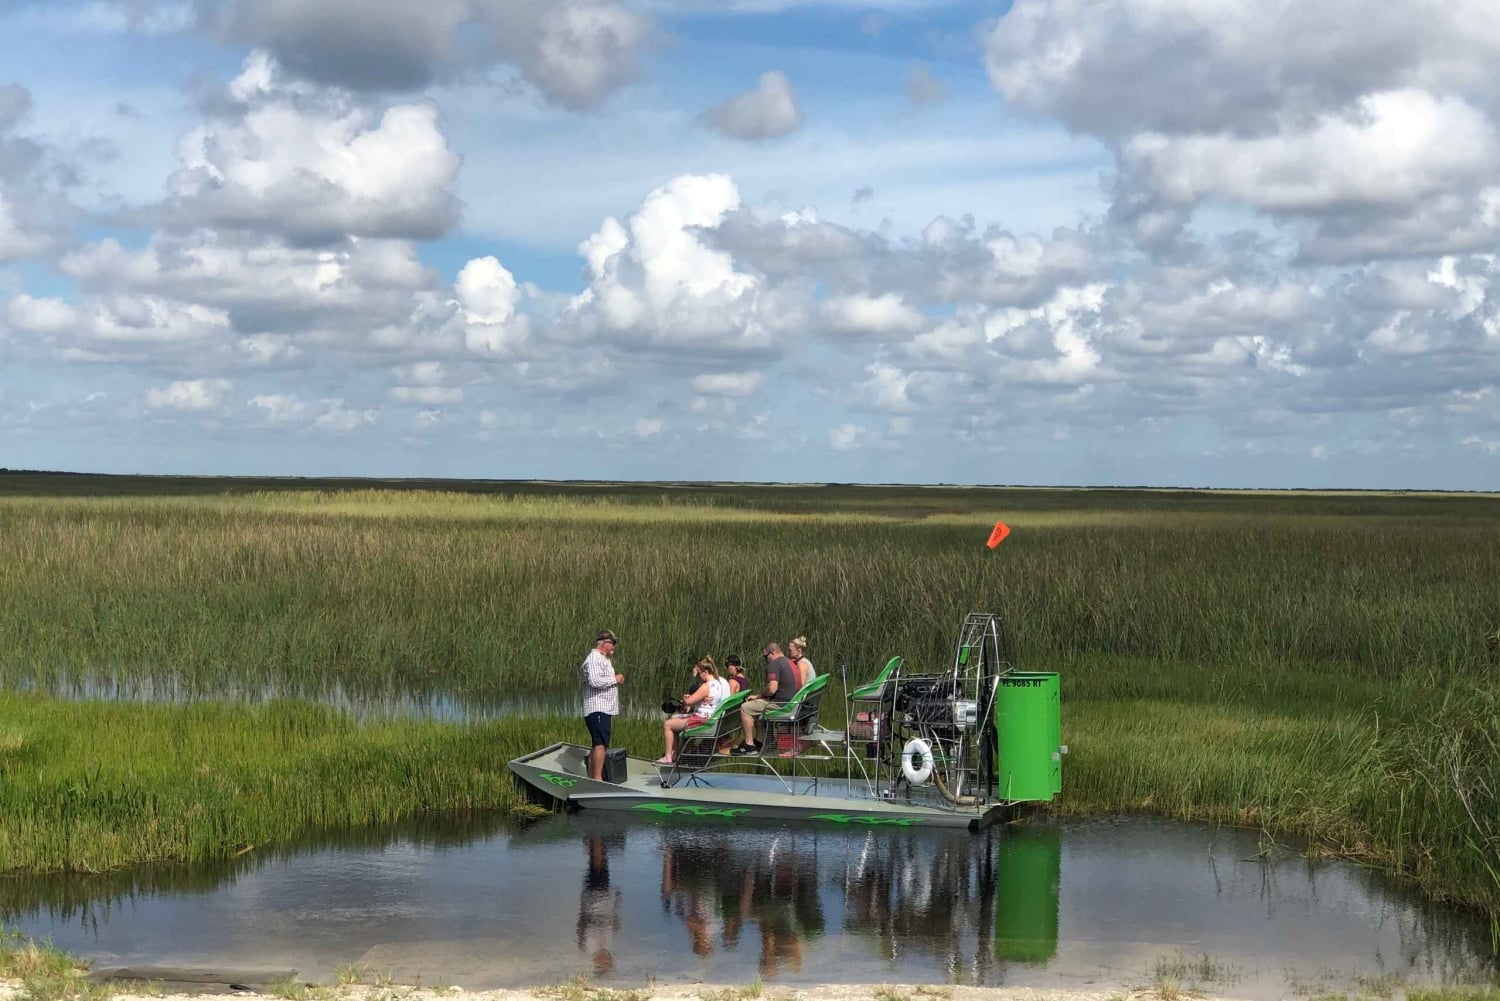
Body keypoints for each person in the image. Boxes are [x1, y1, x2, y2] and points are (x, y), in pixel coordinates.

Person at [657, 656, 729, 764]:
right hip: (710, 717)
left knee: (668, 724)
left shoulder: (707, 686)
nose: (699, 677)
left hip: (702, 720)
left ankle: (668, 757)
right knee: (675, 719)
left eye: (699, 674)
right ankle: (675, 753)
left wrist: (686, 698)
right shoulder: (718, 684)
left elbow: (689, 702)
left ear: (705, 672)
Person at [733, 643, 799, 755]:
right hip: (792, 704)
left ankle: (749, 746)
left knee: (745, 708)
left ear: (772, 652)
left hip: (781, 705)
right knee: (757, 706)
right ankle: (760, 741)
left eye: (766, 656)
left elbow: (772, 689)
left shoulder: (775, 664)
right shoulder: (790, 663)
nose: (766, 660)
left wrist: (759, 696)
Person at [581, 629, 625, 781]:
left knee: (599, 744)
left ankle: (592, 777)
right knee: (600, 745)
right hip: (597, 708)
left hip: (605, 709)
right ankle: (597, 779)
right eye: (613, 643)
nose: (614, 646)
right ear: (604, 643)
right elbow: (595, 681)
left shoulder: (603, 659)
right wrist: (615, 679)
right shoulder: (594, 659)